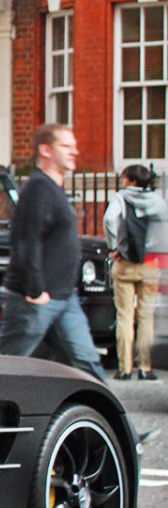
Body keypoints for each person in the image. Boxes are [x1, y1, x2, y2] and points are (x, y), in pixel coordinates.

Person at [0, 124, 106, 383]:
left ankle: (112, 424)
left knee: (87, 365)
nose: (74, 152)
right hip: (33, 300)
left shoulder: (54, 190)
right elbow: (26, 241)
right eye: (65, 146)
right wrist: (35, 291)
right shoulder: (38, 189)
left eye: (73, 146)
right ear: (45, 149)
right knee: (5, 368)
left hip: (63, 298)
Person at [103, 163, 167, 380]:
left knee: (124, 316)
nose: (121, 181)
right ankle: (146, 368)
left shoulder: (120, 198)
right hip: (149, 263)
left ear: (131, 180)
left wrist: (114, 246)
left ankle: (125, 368)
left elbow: (110, 218)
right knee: (146, 317)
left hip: (125, 262)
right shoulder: (158, 201)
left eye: (123, 178)